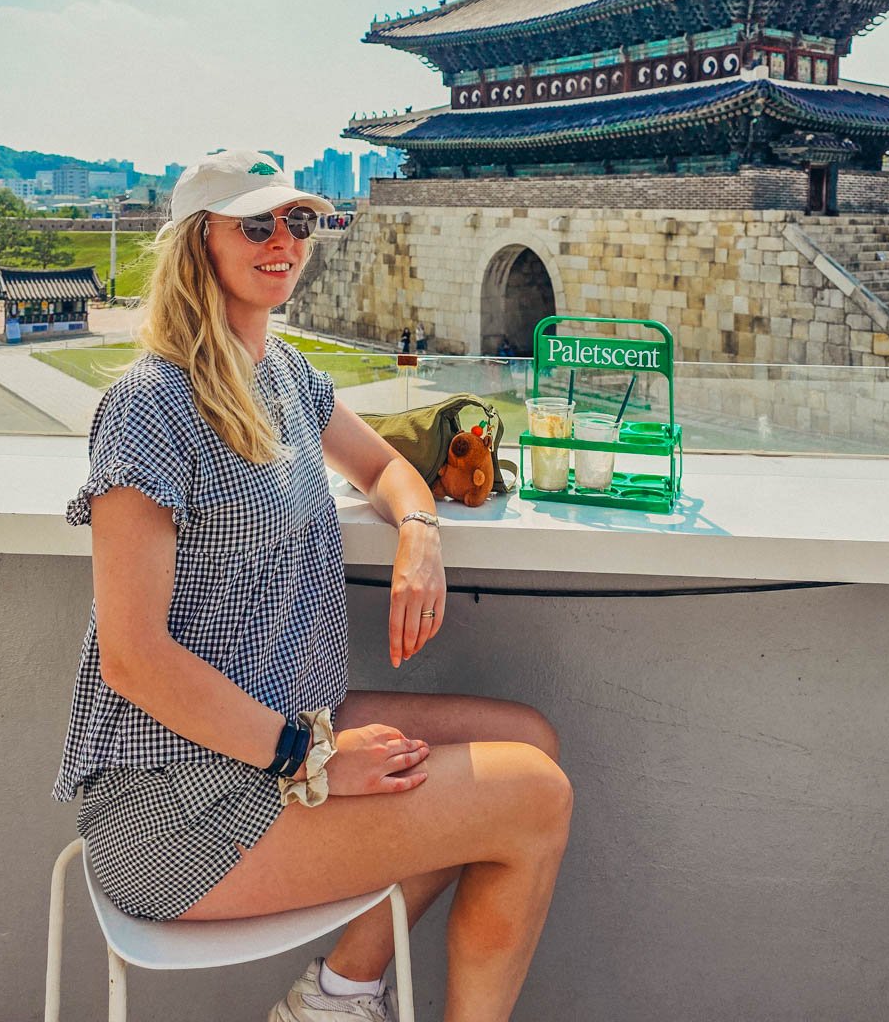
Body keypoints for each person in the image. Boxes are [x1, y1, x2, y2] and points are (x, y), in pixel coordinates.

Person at [53, 150, 570, 1022]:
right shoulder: (151, 404)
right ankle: (345, 997)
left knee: (525, 737)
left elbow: (386, 470)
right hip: (177, 807)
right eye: (255, 224)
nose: (284, 241)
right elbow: (134, 661)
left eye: (297, 221)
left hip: (281, 742)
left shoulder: (283, 375)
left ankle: (338, 994)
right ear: (196, 246)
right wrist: (315, 756)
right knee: (529, 794)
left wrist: (419, 533)